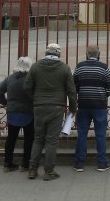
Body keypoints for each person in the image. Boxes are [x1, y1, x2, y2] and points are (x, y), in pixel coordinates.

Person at [23, 43, 77, 181]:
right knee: (51, 140)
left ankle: (32, 170)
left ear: (46, 53)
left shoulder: (35, 67)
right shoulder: (65, 68)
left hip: (39, 106)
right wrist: (72, 108)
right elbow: (71, 91)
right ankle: (49, 171)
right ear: (59, 54)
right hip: (57, 107)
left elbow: (27, 87)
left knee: (38, 138)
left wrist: (35, 99)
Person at [72, 46, 110, 172]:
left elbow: (74, 85)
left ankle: (79, 163)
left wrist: (82, 93)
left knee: (82, 134)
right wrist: (102, 95)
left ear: (87, 54)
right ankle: (102, 163)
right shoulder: (104, 67)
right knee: (100, 135)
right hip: (99, 106)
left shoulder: (79, 66)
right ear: (98, 54)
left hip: (83, 105)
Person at [0, 57, 34, 172]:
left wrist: (4, 102)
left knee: (11, 138)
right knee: (29, 139)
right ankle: (25, 164)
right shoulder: (30, 79)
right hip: (29, 112)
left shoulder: (10, 78)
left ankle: (7, 163)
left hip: (12, 112)